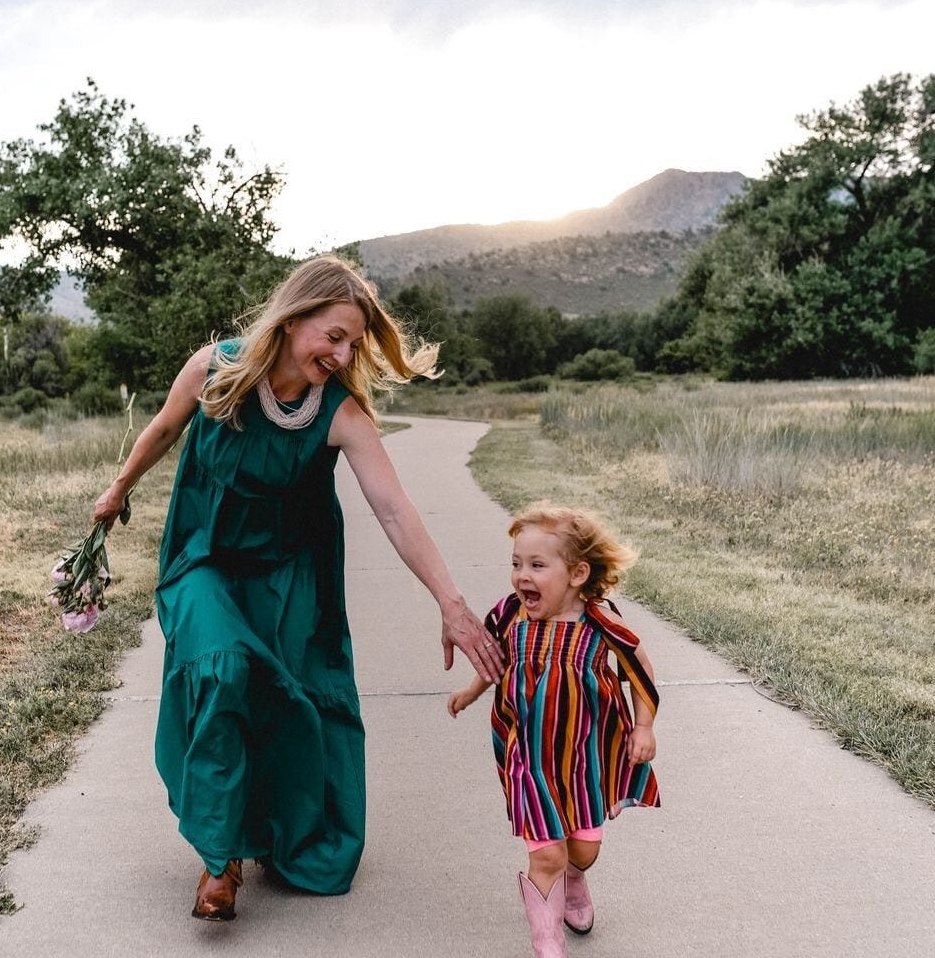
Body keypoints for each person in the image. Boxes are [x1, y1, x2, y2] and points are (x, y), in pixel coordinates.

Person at [92, 255, 503, 922]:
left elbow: (395, 510)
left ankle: (271, 835)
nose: (341, 355)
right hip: (204, 558)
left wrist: (450, 602)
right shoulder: (214, 369)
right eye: (331, 336)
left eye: (352, 343)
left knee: (287, 701)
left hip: (289, 574)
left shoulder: (338, 413)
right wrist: (118, 488)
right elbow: (165, 427)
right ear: (291, 321)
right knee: (221, 670)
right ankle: (219, 859)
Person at [448, 503, 660, 958]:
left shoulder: (600, 625)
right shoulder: (510, 616)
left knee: (581, 851)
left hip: (583, 759)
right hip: (527, 756)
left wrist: (643, 726)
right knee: (546, 855)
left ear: (578, 573)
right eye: (516, 563)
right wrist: (471, 691)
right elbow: (494, 662)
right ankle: (547, 940)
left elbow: (640, 672)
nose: (522, 575)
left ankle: (575, 879)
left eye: (537, 565)